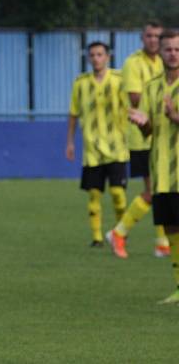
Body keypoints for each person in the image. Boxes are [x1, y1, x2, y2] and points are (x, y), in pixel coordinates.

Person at [107, 21, 171, 259]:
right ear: (141, 38)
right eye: (149, 36)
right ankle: (119, 232)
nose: (153, 40)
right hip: (143, 136)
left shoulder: (165, 63)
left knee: (161, 189)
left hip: (165, 135)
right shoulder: (133, 63)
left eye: (157, 36)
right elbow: (135, 98)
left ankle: (162, 242)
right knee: (153, 189)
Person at [128, 28, 179, 304]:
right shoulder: (152, 87)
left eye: (177, 49)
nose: (173, 54)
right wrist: (142, 122)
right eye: (168, 49)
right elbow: (149, 132)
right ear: (160, 51)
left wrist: (174, 115)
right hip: (161, 172)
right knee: (171, 228)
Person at [66, 42, 129, 247]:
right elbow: (74, 114)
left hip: (117, 148)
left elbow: (131, 108)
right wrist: (70, 142)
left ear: (108, 57)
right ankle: (97, 237)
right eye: (92, 55)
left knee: (118, 194)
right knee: (94, 194)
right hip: (92, 149)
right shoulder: (81, 83)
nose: (96, 58)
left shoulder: (119, 80)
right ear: (88, 58)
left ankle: (120, 232)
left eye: (100, 54)